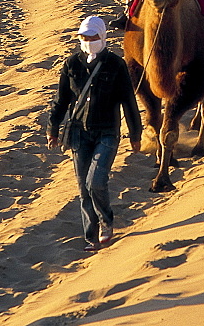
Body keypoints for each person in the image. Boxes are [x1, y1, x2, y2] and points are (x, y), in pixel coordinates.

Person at [46, 16, 142, 251]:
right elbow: (61, 100)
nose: (89, 42)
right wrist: (53, 128)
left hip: (107, 132)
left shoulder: (116, 65)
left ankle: (106, 221)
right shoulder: (71, 65)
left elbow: (129, 102)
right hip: (79, 134)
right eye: (84, 38)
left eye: (93, 37)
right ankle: (91, 235)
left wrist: (136, 134)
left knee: (95, 182)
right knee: (82, 187)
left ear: (103, 38)